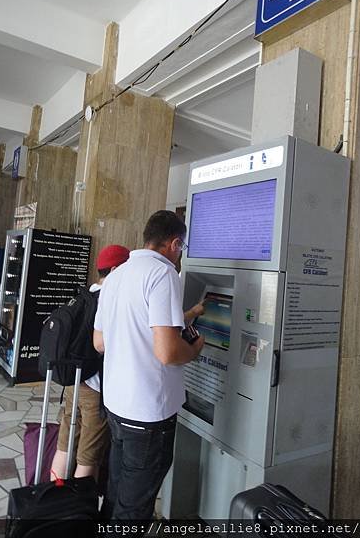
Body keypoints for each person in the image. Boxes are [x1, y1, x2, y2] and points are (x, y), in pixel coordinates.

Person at [94, 210, 205, 520]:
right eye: (181, 247)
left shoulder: (116, 275)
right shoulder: (163, 274)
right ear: (174, 243)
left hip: (116, 406)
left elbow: (99, 342)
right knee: (134, 509)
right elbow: (168, 352)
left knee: (117, 494)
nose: (180, 254)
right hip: (147, 414)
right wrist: (194, 349)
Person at [51, 244, 130, 481]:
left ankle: (54, 499)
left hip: (73, 383)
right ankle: (79, 513)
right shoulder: (109, 300)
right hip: (94, 389)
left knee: (64, 446)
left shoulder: (84, 296)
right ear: (116, 270)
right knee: (88, 457)